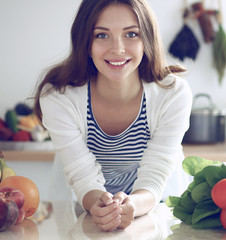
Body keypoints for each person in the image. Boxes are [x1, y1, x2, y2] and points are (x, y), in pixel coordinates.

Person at [33, 0, 193, 232]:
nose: (117, 48)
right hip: (82, 206)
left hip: (156, 207)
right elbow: (82, 175)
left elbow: (155, 172)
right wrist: (101, 205)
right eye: (102, 35)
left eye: (131, 34)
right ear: (85, 43)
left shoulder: (173, 93)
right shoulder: (59, 97)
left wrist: (133, 204)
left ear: (146, 39)